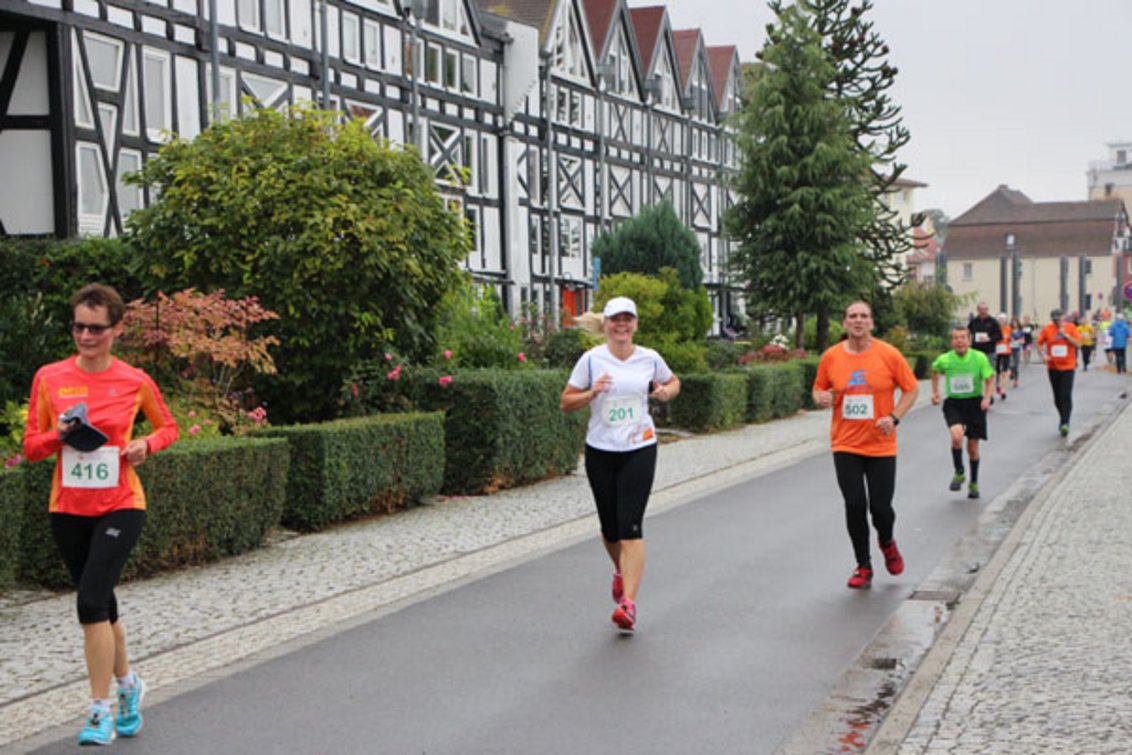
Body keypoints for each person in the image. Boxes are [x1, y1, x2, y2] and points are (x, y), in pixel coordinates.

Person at [23, 284, 179, 745]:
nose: (86, 336)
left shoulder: (134, 380)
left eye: (96, 328)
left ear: (117, 329)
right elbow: (31, 448)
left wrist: (144, 445)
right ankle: (129, 686)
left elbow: (168, 427)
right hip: (68, 507)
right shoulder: (49, 377)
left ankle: (99, 711)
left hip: (121, 503)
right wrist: (58, 436)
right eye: (78, 327)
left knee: (89, 602)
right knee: (103, 604)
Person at [560, 296, 680, 633]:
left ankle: (628, 603)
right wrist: (591, 394)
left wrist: (667, 392)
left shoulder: (649, 358)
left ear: (636, 324)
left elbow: (673, 381)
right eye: (616, 320)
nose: (622, 325)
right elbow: (566, 402)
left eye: (628, 319)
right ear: (607, 324)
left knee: (630, 525)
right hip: (600, 449)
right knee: (610, 528)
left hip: (639, 446)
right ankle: (620, 570)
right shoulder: (591, 360)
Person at [812, 301, 919, 589]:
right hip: (845, 444)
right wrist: (819, 397)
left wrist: (895, 417)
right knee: (855, 504)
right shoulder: (831, 357)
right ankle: (863, 565)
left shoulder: (889, 354)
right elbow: (819, 388)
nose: (858, 321)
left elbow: (911, 389)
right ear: (845, 322)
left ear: (871, 322)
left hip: (881, 444)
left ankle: (887, 541)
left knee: (881, 508)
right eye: (852, 316)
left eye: (864, 316)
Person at [931, 327, 994, 499]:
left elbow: (989, 379)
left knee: (973, 448)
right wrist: (935, 392)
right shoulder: (945, 359)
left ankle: (974, 482)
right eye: (956, 338)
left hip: (975, 403)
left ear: (969, 340)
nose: (959, 341)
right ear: (952, 342)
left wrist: (987, 398)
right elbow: (934, 371)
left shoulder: (979, 358)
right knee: (957, 436)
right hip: (954, 403)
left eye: (962, 338)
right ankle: (959, 471)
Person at [1035, 308, 1082, 437]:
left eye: (1059, 319)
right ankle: (1063, 418)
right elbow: (1039, 344)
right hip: (1053, 367)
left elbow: (1078, 344)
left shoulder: (1071, 327)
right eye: (1054, 320)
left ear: (1063, 317)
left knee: (1065, 394)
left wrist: (1066, 335)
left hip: (1068, 367)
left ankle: (1065, 422)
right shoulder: (1047, 329)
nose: (1057, 322)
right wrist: (1043, 355)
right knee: (1057, 398)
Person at [968, 302, 1002, 400]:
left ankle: (989, 393)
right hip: (976, 351)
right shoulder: (973, 322)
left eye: (985, 309)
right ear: (977, 310)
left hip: (989, 351)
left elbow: (999, 336)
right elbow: (968, 333)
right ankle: (979, 393)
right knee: (976, 373)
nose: (983, 312)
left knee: (988, 373)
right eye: (981, 310)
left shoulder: (993, 322)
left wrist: (989, 339)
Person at [992, 313, 1011, 400]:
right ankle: (998, 384)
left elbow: (1011, 338)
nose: (1001, 321)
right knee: (997, 371)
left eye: (1003, 320)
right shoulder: (995, 329)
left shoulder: (1008, 329)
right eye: (1000, 320)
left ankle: (1003, 390)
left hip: (1006, 351)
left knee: (1005, 372)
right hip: (997, 351)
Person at [1008, 316, 1024, 388]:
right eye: (1013, 322)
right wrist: (1009, 339)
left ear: (1018, 323)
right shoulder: (1009, 330)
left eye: (1016, 322)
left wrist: (1019, 341)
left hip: (1017, 349)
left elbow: (1023, 341)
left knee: (1016, 366)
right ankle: (1012, 371)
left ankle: (1016, 381)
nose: (1014, 323)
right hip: (1009, 349)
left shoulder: (1020, 331)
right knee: (1011, 364)